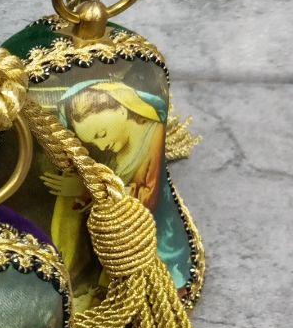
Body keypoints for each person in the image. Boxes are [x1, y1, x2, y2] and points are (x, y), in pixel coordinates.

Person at [42, 79, 191, 293]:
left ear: (121, 108)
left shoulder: (154, 134)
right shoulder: (119, 150)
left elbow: (146, 199)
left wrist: (87, 190)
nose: (102, 146)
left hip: (155, 241)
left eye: (101, 135)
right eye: (94, 143)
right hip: (120, 245)